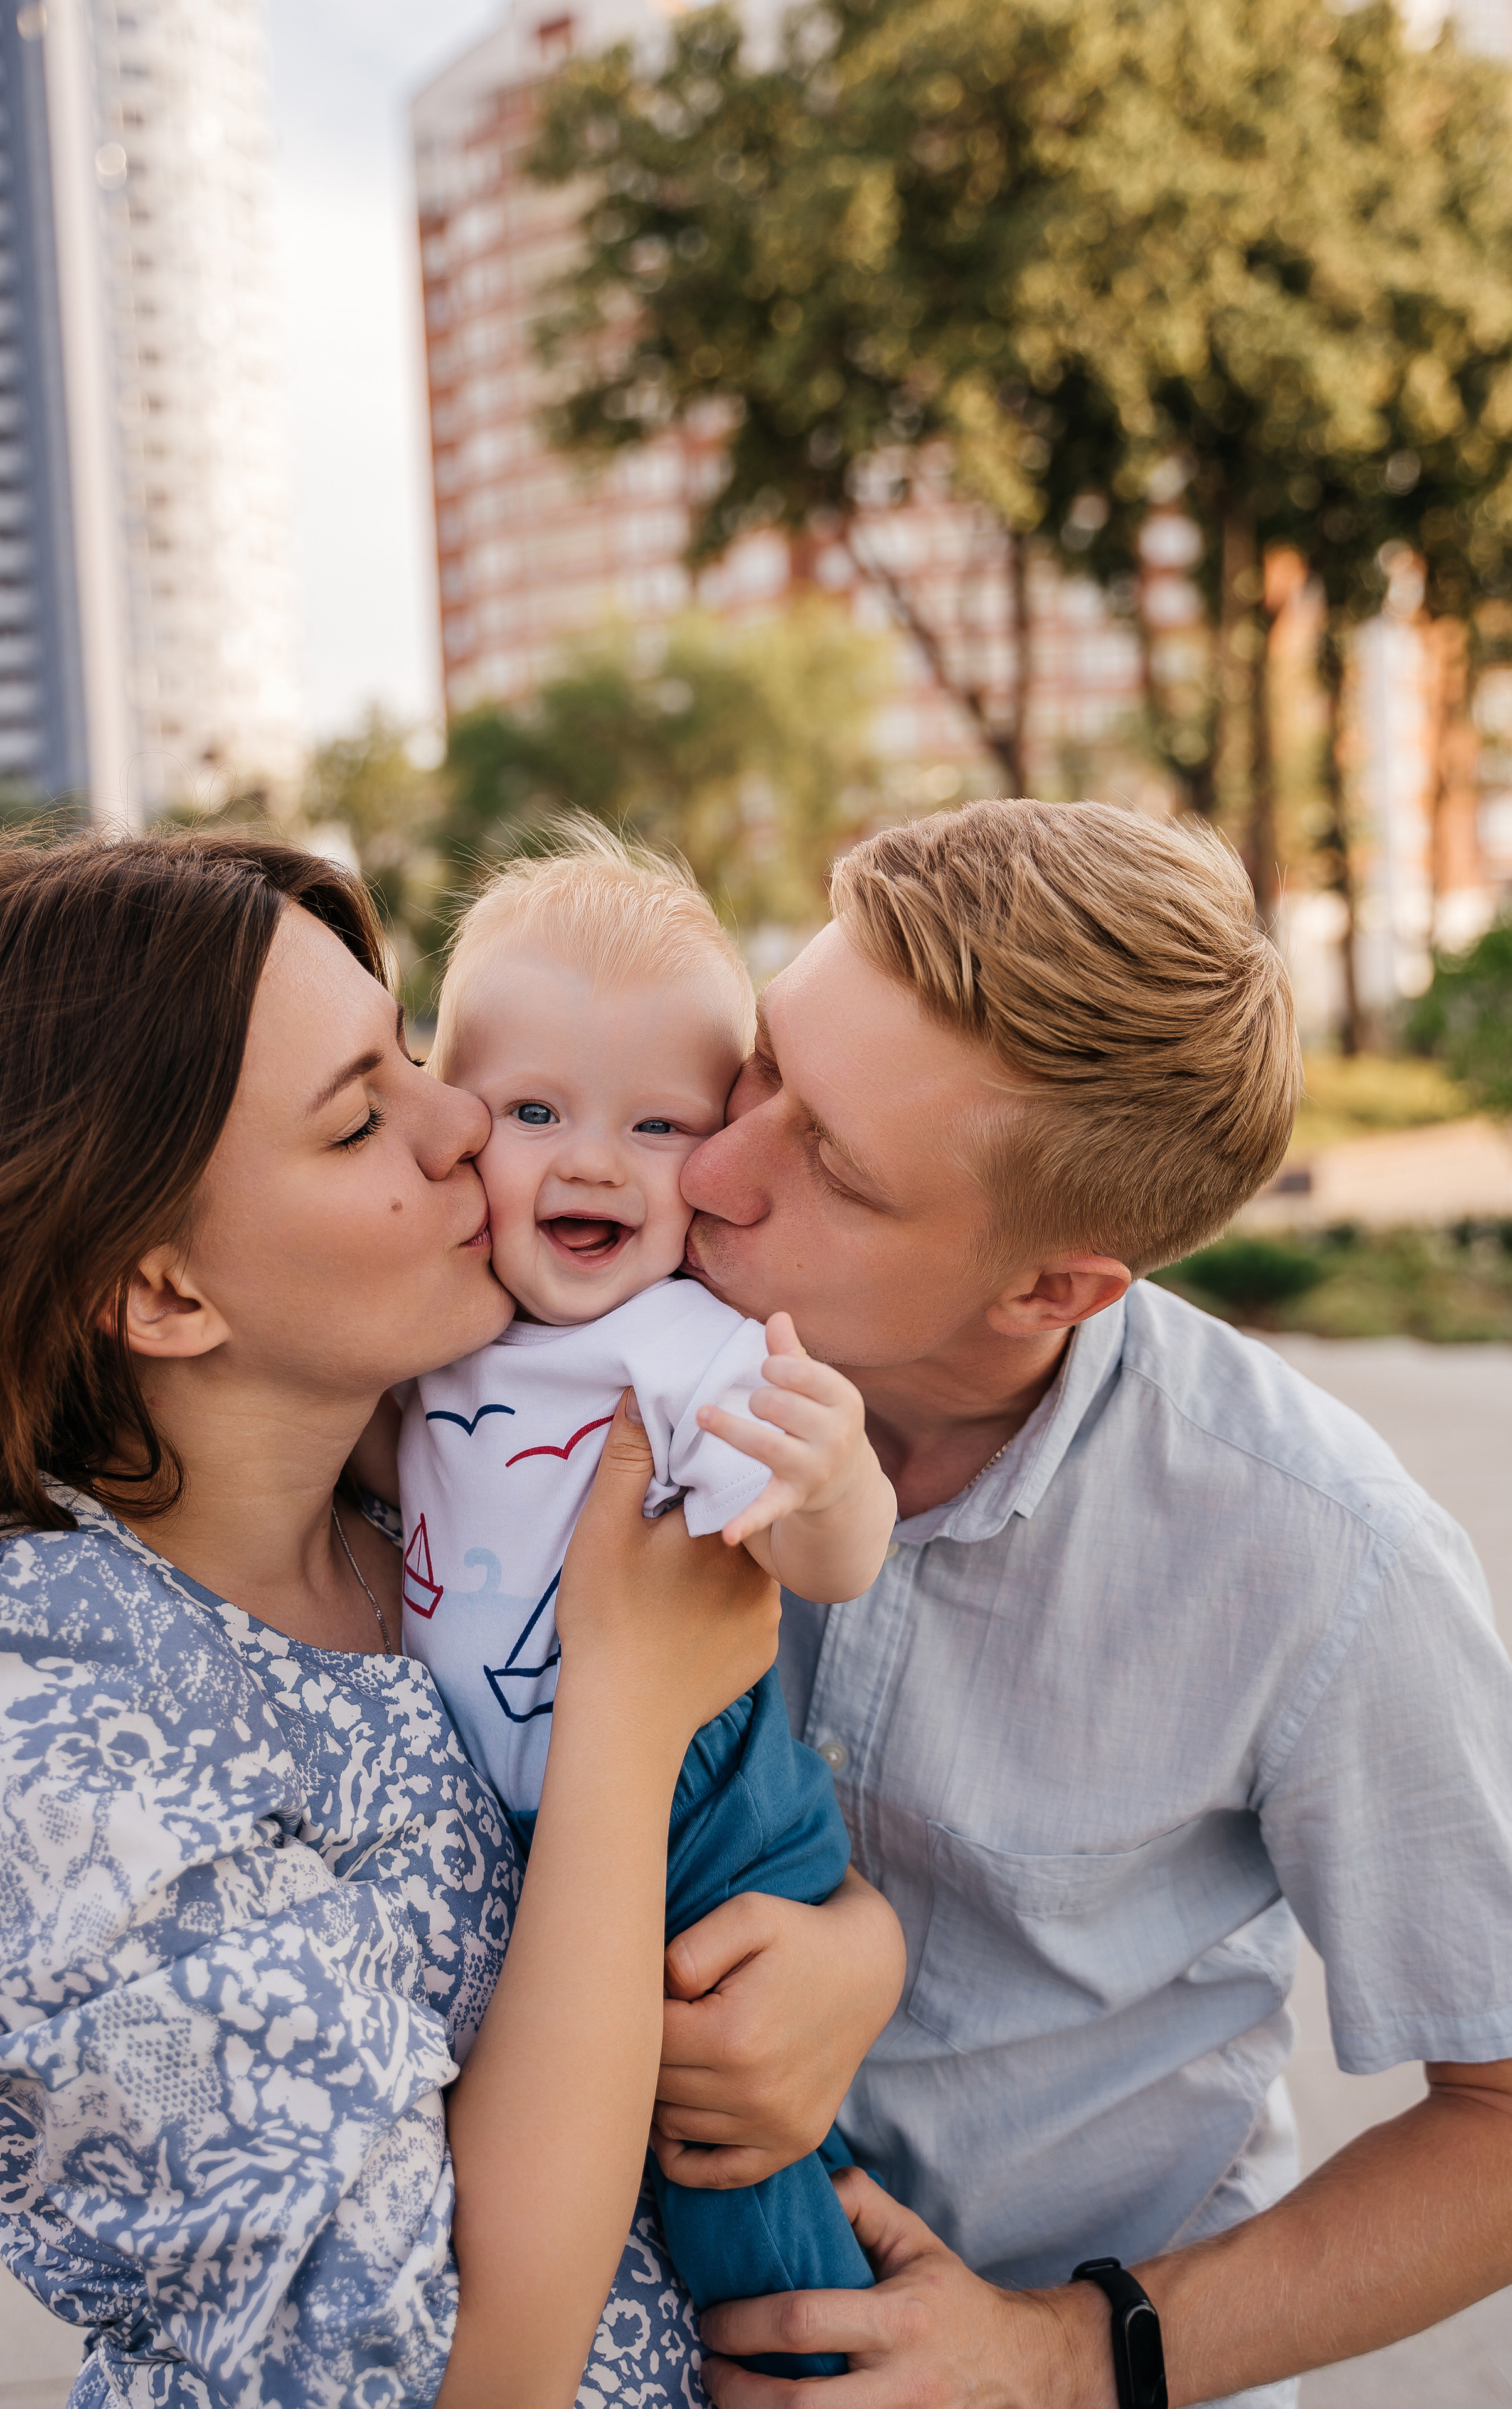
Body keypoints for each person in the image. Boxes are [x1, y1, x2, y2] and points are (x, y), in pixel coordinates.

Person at [0, 829, 899, 2409]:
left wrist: (854, 1956)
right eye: (365, 1111)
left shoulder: (399, 1503)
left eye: (417, 1054)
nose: (463, 1128)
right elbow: (466, 2370)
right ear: (163, 1293)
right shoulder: (29, 1721)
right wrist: (626, 1725)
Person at [645, 800, 1512, 2408]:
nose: (708, 1166)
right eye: (762, 1064)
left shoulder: (1327, 1556)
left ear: (1052, 1288)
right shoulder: (602, 1360)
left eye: (828, 1162)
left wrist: (1064, 2356)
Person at [375, 833, 896, 2369]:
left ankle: (814, 2365)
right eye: (534, 1110)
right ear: (456, 1119)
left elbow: (830, 1564)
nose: (592, 1161)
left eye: (658, 1125)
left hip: (702, 1820)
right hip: (533, 1827)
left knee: (721, 2158)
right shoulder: (435, 1326)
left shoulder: (687, 1344)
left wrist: (832, 1479)